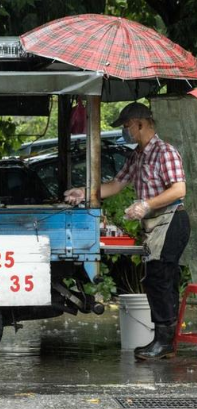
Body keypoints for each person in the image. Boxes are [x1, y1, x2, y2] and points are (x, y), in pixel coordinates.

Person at [64, 102, 190, 360]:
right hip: (155, 223)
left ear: (141, 124)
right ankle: (164, 340)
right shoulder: (139, 155)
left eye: (126, 126)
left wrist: (146, 204)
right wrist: (85, 193)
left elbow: (179, 190)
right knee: (158, 279)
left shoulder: (164, 152)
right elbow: (116, 184)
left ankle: (163, 342)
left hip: (171, 220)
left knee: (160, 278)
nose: (125, 131)